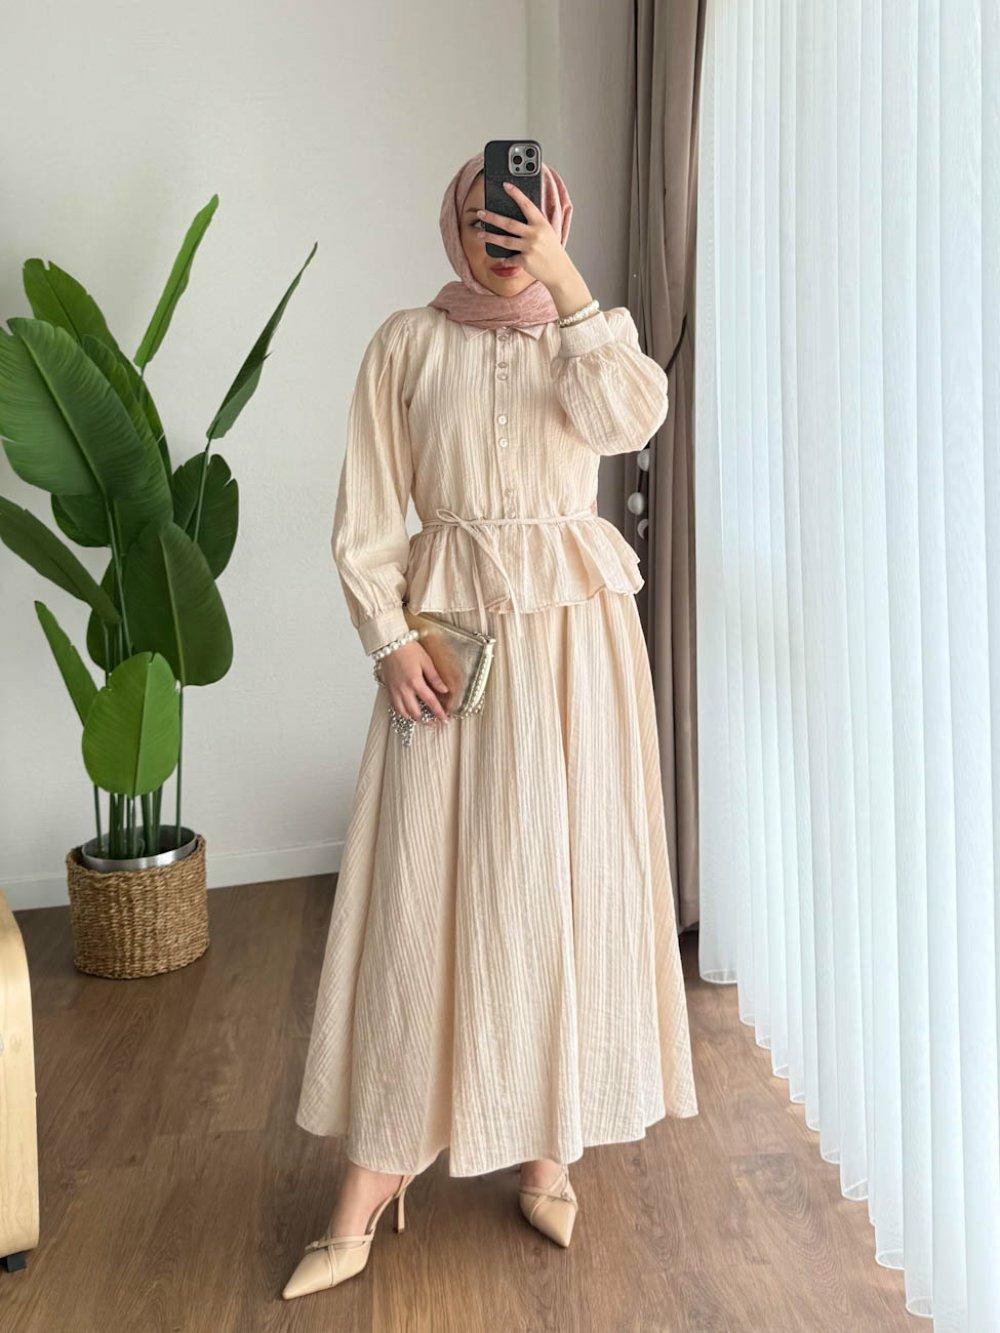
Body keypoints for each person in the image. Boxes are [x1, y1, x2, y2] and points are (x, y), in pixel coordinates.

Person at [282, 150, 697, 1302]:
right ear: (450, 226)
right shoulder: (404, 345)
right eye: (481, 218)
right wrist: (386, 637)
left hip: (576, 652)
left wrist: (566, 283)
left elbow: (632, 420)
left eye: (520, 217)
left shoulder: (589, 337)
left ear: (551, 216)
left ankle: (547, 1145)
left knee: (557, 882)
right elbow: (367, 511)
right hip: (449, 645)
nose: (498, 238)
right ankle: (373, 1177)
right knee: (420, 890)